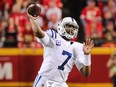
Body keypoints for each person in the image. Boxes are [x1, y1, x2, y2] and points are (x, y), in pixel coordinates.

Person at [27, 4, 94, 87]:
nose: (72, 29)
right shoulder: (54, 37)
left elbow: (86, 73)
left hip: (61, 83)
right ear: (61, 27)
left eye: (73, 27)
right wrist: (32, 19)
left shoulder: (77, 47)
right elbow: (38, 32)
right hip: (45, 80)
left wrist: (87, 55)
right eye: (69, 26)